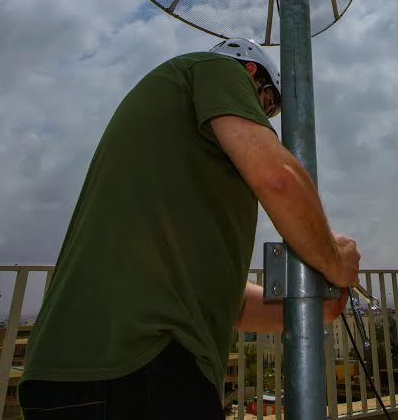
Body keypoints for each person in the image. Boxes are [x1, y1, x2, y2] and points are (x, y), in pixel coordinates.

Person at [19, 38, 360, 419]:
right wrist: (333, 258)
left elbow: (234, 307)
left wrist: (315, 308)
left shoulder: (180, 181)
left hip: (79, 374)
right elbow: (277, 178)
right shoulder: (217, 69)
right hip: (142, 364)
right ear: (250, 71)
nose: (262, 115)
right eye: (266, 102)